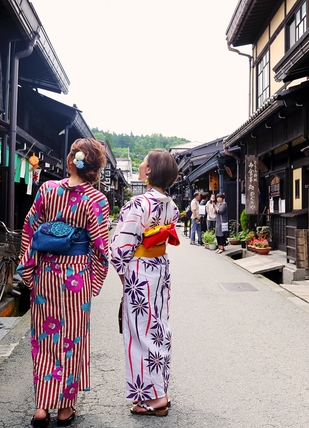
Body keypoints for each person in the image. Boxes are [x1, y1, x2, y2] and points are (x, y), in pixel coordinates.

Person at [17, 138, 110, 427]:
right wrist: (93, 280)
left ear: (71, 160)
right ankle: (65, 409)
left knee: (44, 340)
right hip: (76, 276)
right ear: (95, 168)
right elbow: (100, 247)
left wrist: (29, 270)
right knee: (72, 339)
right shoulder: (97, 200)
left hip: (45, 272)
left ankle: (42, 407)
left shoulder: (47, 189)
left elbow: (30, 229)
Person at [110, 149, 180, 417]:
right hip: (160, 269)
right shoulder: (170, 205)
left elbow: (119, 249)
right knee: (159, 330)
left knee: (140, 335)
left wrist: (125, 280)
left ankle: (153, 399)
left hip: (139, 272)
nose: (140, 165)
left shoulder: (138, 204)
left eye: (144, 163)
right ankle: (160, 390)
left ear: (149, 171)